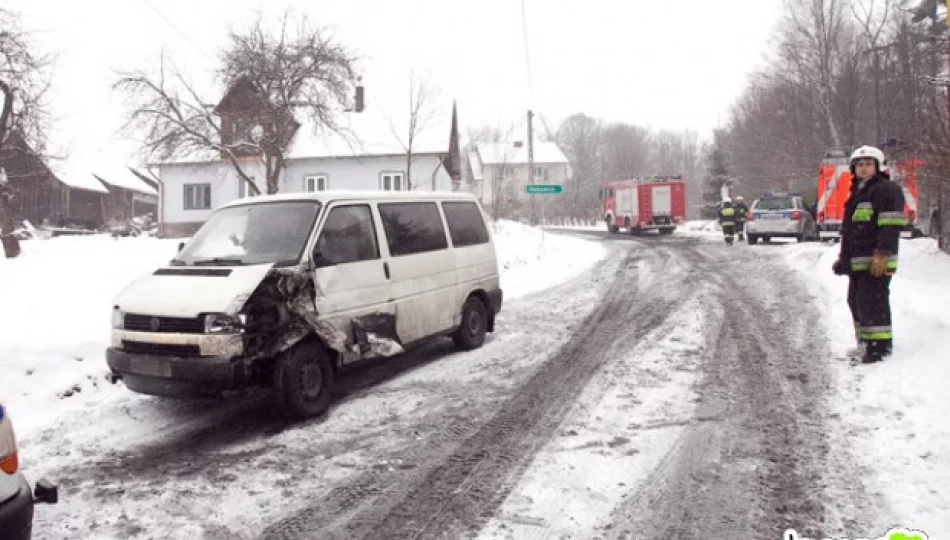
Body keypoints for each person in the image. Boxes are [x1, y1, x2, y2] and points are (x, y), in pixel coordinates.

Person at [832, 145, 905, 364]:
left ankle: (878, 349)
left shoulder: (886, 189)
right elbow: (852, 231)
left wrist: (882, 254)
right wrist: (844, 259)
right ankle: (864, 343)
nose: (864, 168)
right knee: (856, 301)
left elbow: (890, 225)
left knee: (873, 303)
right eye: (860, 165)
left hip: (876, 262)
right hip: (859, 263)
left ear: (878, 166)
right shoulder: (858, 193)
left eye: (868, 164)